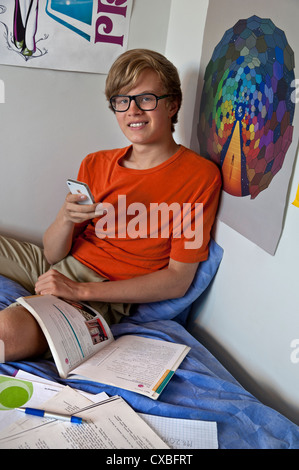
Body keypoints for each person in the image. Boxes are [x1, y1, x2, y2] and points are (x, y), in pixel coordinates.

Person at [0, 49, 221, 362]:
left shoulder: (199, 176)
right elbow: (53, 255)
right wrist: (65, 217)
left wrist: (79, 292)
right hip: (60, 266)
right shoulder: (95, 163)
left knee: (6, 333)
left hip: (102, 290)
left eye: (146, 98)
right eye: (122, 100)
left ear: (172, 105)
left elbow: (177, 280)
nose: (132, 110)